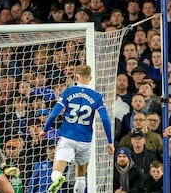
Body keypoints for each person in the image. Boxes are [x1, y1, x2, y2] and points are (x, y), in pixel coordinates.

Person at [39, 65, 115, 193]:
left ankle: (58, 178)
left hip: (67, 137)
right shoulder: (97, 96)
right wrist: (109, 141)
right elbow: (105, 120)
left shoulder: (69, 91)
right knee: (80, 177)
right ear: (90, 78)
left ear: (77, 77)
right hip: (85, 141)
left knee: (56, 171)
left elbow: (53, 114)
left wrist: (45, 129)